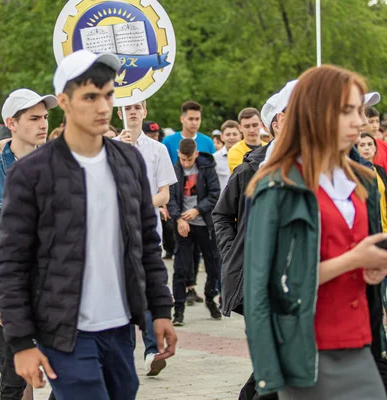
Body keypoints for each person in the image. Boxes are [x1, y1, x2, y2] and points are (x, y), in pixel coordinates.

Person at [0, 50, 177, 400]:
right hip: (65, 331)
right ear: (64, 101)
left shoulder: (128, 162)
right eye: (90, 97)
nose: (103, 106)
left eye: (108, 95)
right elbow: (10, 262)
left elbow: (147, 246)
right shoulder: (30, 174)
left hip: (121, 328)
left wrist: (161, 311)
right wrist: (20, 342)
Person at [244, 65, 387, 399]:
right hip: (306, 351)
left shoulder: (364, 180)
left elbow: (364, 253)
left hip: (361, 342)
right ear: (316, 113)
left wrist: (374, 266)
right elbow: (267, 286)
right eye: (347, 111)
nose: (360, 121)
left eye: (360, 111)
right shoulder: (276, 186)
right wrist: (354, 259)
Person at [213, 79, 296, 400]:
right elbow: (221, 215)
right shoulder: (249, 169)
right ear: (278, 122)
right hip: (255, 282)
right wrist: (235, 254)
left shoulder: (310, 164)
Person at [0, 88, 57, 400]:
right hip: (13, 294)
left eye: (45, 118)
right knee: (13, 381)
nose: (42, 124)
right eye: (34, 118)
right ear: (11, 123)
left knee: (67, 374)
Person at [117, 102, 177, 377]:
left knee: (147, 288)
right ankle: (123, 353)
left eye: (137, 107)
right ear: (118, 113)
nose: (132, 111)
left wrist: (139, 205)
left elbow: (164, 194)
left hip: (147, 230)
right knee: (120, 291)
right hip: (115, 234)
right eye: (127, 107)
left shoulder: (158, 149)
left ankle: (151, 350)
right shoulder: (108, 147)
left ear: (145, 112)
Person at [168, 138, 222, 324]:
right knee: (181, 268)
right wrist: (179, 218)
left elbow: (215, 194)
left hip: (205, 224)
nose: (185, 163)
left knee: (214, 266)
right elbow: (170, 198)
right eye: (182, 159)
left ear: (196, 155)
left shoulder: (207, 168)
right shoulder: (174, 169)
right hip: (183, 226)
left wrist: (197, 209)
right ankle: (179, 311)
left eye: (189, 159)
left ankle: (209, 299)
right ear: (178, 154)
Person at [357, 132, 387, 233]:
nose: (366, 148)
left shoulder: (380, 170)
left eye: (370, 144)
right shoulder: (356, 173)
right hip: (371, 230)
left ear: (375, 148)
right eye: (362, 145)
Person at [227, 108, 267, 173]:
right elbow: (242, 175)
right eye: (247, 126)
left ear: (261, 125)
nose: (252, 130)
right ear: (240, 128)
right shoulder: (235, 151)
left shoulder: (269, 147)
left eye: (255, 125)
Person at [214, 120, 242, 192]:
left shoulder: (248, 155)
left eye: (235, 134)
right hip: (222, 200)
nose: (231, 137)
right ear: (222, 137)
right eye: (228, 134)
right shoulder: (214, 158)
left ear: (240, 136)